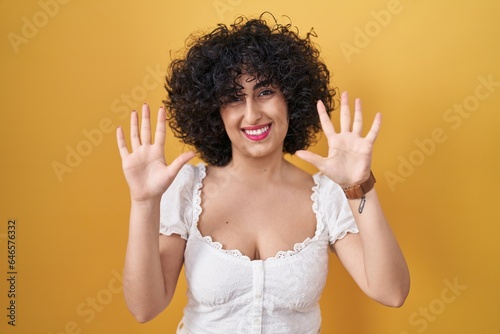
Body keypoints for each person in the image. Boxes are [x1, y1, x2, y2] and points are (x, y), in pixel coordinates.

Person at [116, 13, 410, 334]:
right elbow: (145, 308)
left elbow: (392, 292)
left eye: (265, 91)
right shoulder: (188, 189)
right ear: (215, 110)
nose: (252, 114)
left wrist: (360, 186)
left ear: (291, 100)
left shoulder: (327, 195)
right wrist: (144, 202)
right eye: (233, 97)